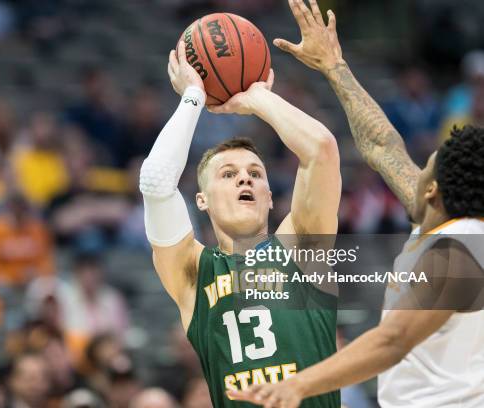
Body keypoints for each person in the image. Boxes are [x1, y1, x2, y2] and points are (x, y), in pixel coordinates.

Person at [229, 0, 484, 406]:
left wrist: (298, 384)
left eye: (427, 169)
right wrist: (334, 66)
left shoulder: (459, 247)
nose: (416, 173)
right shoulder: (452, 227)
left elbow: (394, 339)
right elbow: (385, 147)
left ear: (434, 191)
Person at [139, 37, 342, 407]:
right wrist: (193, 97)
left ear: (269, 196)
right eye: (228, 174)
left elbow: (321, 150)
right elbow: (155, 182)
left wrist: (255, 98)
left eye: (255, 173)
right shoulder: (193, 272)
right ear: (201, 200)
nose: (245, 179)